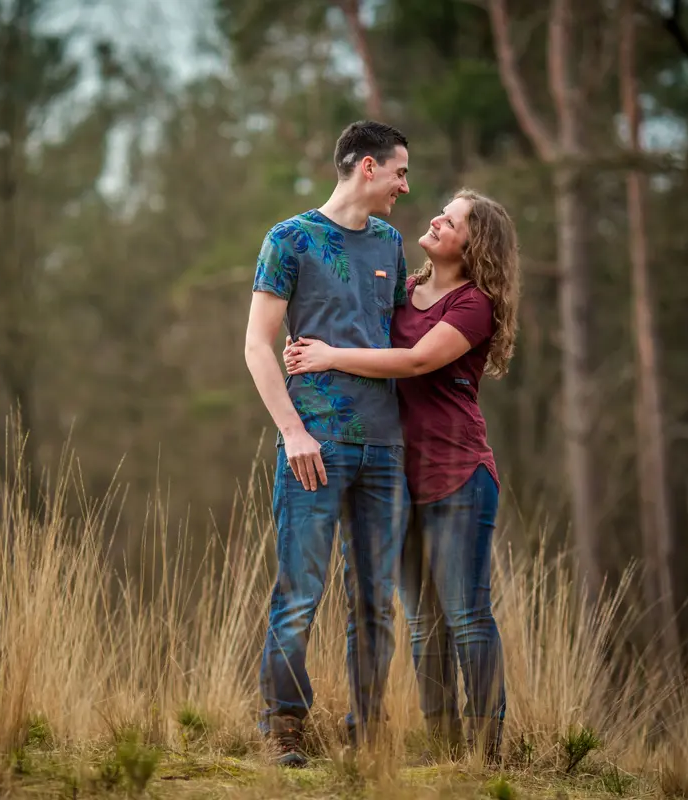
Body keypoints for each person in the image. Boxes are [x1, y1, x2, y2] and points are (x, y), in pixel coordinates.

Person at [283, 188, 521, 765]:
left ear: (474, 243)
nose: (436, 219)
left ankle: (487, 753)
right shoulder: (405, 293)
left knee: (466, 615)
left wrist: (329, 355)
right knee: (421, 622)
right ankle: (443, 749)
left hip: (459, 473)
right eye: (442, 212)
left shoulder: (474, 304)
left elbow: (415, 361)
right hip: (396, 477)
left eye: (453, 219)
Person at [244, 119, 412, 767]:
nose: (405, 183)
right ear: (366, 167)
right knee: (300, 592)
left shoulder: (392, 244)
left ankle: (367, 732)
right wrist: (292, 432)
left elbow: (403, 335)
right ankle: (284, 725)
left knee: (374, 601)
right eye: (398, 170)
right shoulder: (290, 239)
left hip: (385, 451)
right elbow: (258, 344)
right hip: (314, 446)